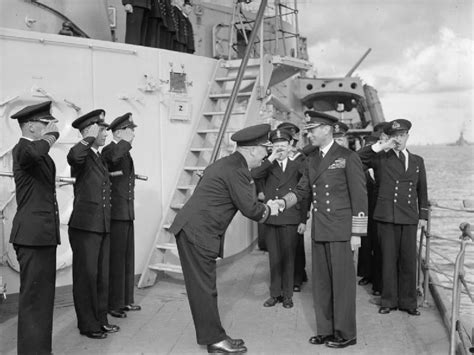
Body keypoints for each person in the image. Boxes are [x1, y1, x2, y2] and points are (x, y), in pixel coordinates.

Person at [169, 124, 280, 354]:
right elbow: (251, 209)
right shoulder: (236, 170)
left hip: (193, 229)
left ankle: (214, 336)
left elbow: (245, 180)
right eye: (264, 150)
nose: (266, 154)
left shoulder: (230, 164)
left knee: (204, 287)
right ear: (251, 150)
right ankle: (215, 341)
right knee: (204, 289)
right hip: (198, 233)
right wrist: (271, 209)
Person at [272, 111, 368, 349]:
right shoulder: (312, 159)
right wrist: (282, 203)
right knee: (322, 283)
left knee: (343, 284)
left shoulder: (347, 156)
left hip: (343, 230)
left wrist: (357, 233)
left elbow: (360, 196)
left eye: (312, 129)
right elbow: (303, 190)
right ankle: (325, 330)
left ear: (326, 129)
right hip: (321, 228)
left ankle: (346, 333)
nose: (309, 134)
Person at [358, 119, 428, 316]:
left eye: (401, 136)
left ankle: (408, 302)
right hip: (386, 216)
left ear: (407, 137)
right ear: (389, 138)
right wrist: (381, 146)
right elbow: (357, 158)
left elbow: (422, 190)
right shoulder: (381, 158)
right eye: (394, 136)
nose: (398, 139)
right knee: (388, 260)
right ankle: (388, 301)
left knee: (408, 261)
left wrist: (423, 215)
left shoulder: (417, 161)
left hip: (408, 217)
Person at [9, 101, 61, 355]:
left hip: (42, 235)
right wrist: (52, 135)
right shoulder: (22, 149)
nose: (49, 127)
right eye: (44, 123)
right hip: (32, 236)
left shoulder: (36, 152)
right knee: (33, 299)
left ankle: (40, 350)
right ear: (30, 126)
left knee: (43, 298)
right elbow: (35, 153)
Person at [67, 110, 119, 339]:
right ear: (90, 130)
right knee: (86, 277)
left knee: (100, 276)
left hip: (100, 225)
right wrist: (88, 136)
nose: (106, 132)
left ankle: (100, 319)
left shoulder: (97, 156)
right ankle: (88, 324)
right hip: (85, 227)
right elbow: (74, 155)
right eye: (102, 128)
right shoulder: (82, 154)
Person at [251, 129, 308, 308]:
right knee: (274, 257)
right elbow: (253, 175)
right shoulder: (268, 165)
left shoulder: (298, 164)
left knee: (289, 257)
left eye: (283, 146)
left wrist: (303, 220)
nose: (280, 149)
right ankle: (275, 294)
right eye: (276, 146)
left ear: (290, 146)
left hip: (290, 217)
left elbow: (304, 192)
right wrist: (271, 158)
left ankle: (288, 295)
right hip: (272, 217)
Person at [102, 113, 141, 318]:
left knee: (126, 258)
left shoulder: (123, 151)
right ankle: (114, 304)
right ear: (118, 132)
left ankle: (125, 300)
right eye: (129, 129)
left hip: (126, 212)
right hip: (116, 213)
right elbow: (114, 158)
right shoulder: (110, 150)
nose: (133, 133)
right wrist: (125, 142)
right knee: (116, 260)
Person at [357, 122, 390, 295]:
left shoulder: (386, 163)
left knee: (379, 246)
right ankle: (366, 273)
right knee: (365, 243)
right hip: (366, 209)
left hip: (381, 210)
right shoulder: (364, 165)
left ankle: (377, 281)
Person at [276, 122, 309, 291]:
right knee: (280, 248)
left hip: (295, 208)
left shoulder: (301, 158)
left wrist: (304, 216)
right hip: (278, 209)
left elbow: (304, 190)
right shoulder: (275, 157)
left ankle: (297, 277)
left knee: (297, 247)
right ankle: (285, 278)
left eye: (290, 136)